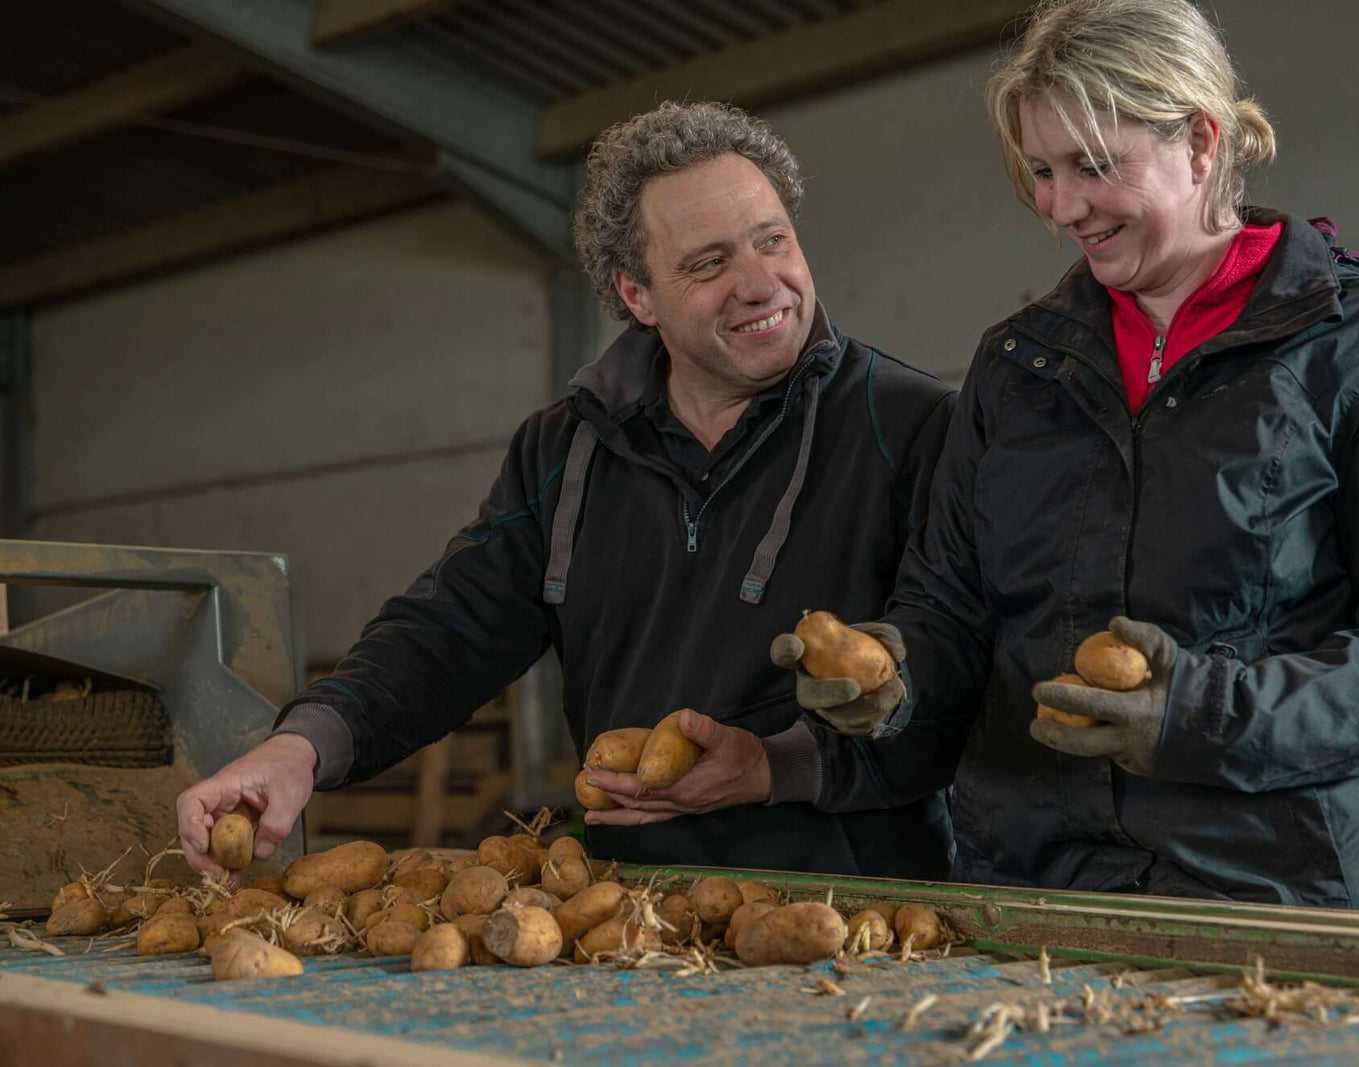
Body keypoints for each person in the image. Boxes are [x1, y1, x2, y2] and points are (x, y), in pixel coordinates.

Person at [770, 0, 1359, 911]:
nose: (1060, 205)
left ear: (1202, 142)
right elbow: (953, 608)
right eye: (1042, 171)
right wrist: (893, 676)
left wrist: (1200, 715)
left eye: (1093, 166)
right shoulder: (1016, 369)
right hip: (1039, 891)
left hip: (1284, 895)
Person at [175, 101, 956, 881]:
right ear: (638, 295)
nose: (761, 284)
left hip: (861, 918)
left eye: (773, 241)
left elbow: (955, 674)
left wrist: (771, 765)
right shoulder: (567, 449)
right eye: (708, 263)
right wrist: (301, 746)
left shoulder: (911, 426)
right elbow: (448, 631)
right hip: (628, 918)